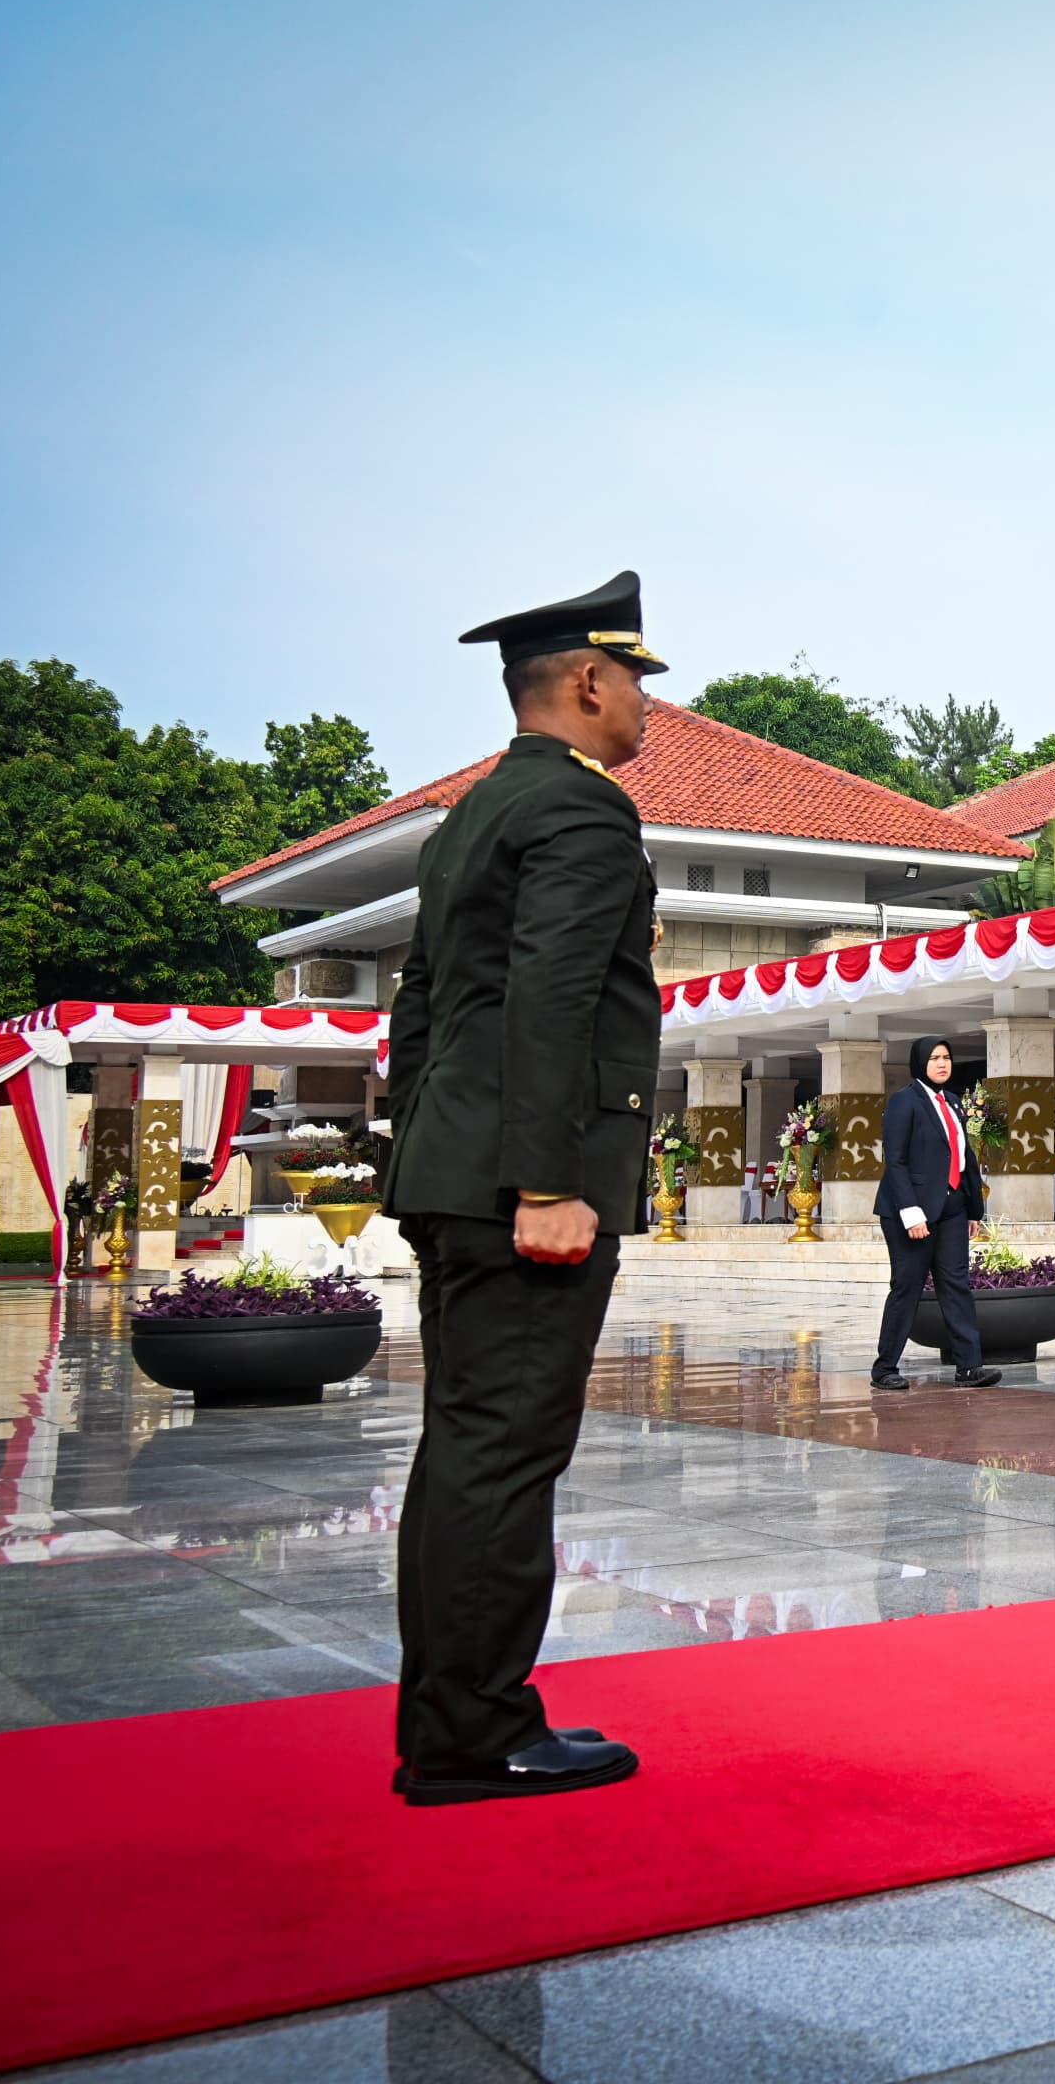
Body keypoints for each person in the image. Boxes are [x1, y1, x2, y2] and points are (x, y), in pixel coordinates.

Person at [379, 569, 662, 1806]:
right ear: (590, 682)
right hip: (522, 1190)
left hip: (455, 1174)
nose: (646, 707)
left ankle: (450, 1718)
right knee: (503, 1455)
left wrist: (420, 1158)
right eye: (638, 683)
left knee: (463, 1452)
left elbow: (422, 1007)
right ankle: (478, 1733)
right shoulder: (583, 816)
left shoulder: (474, 816)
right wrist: (548, 1181)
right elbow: (551, 1001)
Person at [871, 1036, 1001, 1393]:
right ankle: (884, 1368)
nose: (942, 1064)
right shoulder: (904, 1102)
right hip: (910, 1214)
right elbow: (895, 1161)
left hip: (952, 1210)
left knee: (956, 1286)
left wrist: (973, 1208)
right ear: (919, 1064)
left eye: (946, 1057)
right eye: (934, 1058)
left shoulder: (954, 1103)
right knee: (907, 1287)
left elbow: (964, 1159)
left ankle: (969, 1367)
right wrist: (911, 1214)